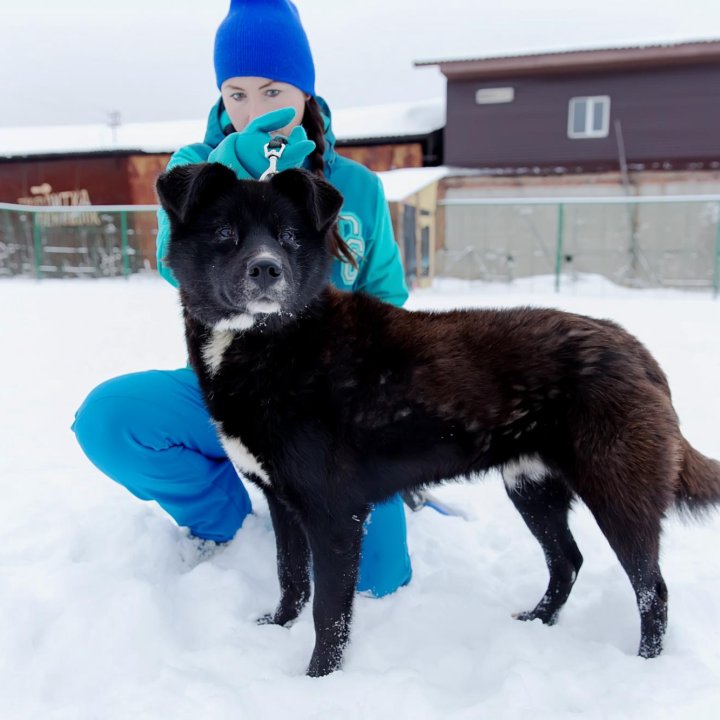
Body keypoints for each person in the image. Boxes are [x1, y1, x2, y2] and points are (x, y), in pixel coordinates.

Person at [72, 0, 412, 598]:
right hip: (226, 389)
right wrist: (232, 181)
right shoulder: (195, 170)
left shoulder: (357, 187)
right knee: (111, 419)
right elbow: (171, 268)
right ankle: (224, 518)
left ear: (305, 93)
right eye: (236, 94)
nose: (254, 110)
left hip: (327, 406)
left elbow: (387, 295)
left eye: (273, 91)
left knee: (378, 579)